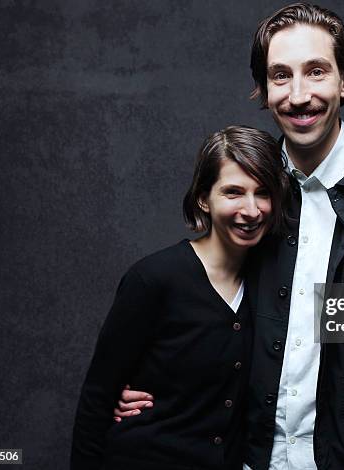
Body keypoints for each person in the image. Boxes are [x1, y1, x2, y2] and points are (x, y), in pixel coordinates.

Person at [117, 3, 344, 470]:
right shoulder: (252, 197)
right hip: (249, 456)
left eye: (316, 72)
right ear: (263, 91)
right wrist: (154, 382)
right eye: (280, 76)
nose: (298, 95)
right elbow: (208, 302)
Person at [71, 126, 289, 470]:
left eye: (263, 193)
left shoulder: (272, 283)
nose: (251, 210)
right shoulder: (154, 279)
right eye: (233, 192)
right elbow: (97, 398)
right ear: (204, 197)